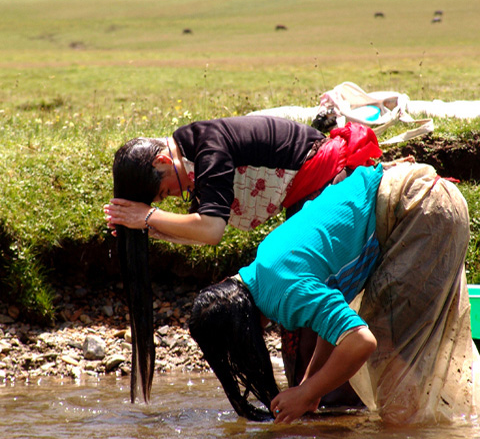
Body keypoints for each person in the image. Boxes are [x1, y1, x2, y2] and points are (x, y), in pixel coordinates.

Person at [104, 115, 382, 402]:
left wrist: (148, 218)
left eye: (165, 192)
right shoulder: (191, 154)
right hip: (309, 191)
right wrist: (146, 226)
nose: (177, 195)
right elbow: (200, 229)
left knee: (308, 327)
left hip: (329, 177)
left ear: (162, 161)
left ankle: (332, 406)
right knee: (308, 322)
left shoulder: (208, 151)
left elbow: (211, 229)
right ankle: (316, 402)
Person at [189, 160, 480, 425]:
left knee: (390, 350)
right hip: (423, 198)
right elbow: (334, 324)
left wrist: (306, 392)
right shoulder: (265, 266)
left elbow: (361, 342)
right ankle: (431, 435)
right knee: (407, 354)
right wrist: (309, 385)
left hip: (419, 210)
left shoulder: (283, 293)